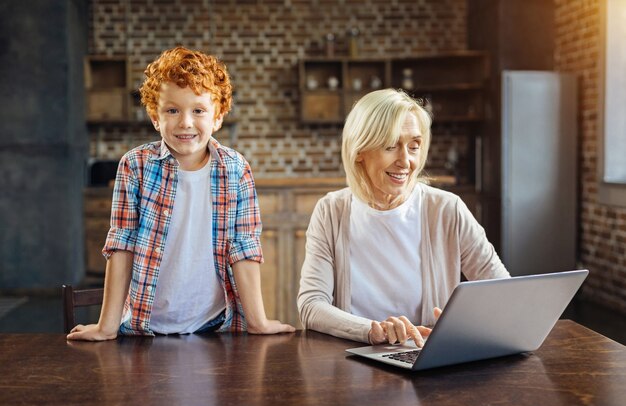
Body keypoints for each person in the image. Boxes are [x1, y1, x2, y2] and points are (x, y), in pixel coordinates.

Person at [68, 46, 295, 341]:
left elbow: (244, 248)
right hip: (142, 327)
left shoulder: (236, 169)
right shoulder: (135, 166)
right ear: (154, 116)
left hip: (213, 327)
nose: (185, 122)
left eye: (198, 110)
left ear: (217, 117)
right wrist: (106, 327)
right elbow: (122, 245)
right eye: (172, 110)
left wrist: (258, 322)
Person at [297, 89, 509, 346]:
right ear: (359, 150)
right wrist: (373, 330)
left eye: (414, 146)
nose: (406, 161)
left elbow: (501, 291)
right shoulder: (331, 211)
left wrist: (462, 322)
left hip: (426, 358)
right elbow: (311, 306)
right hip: (353, 360)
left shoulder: (446, 209)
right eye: (390, 146)